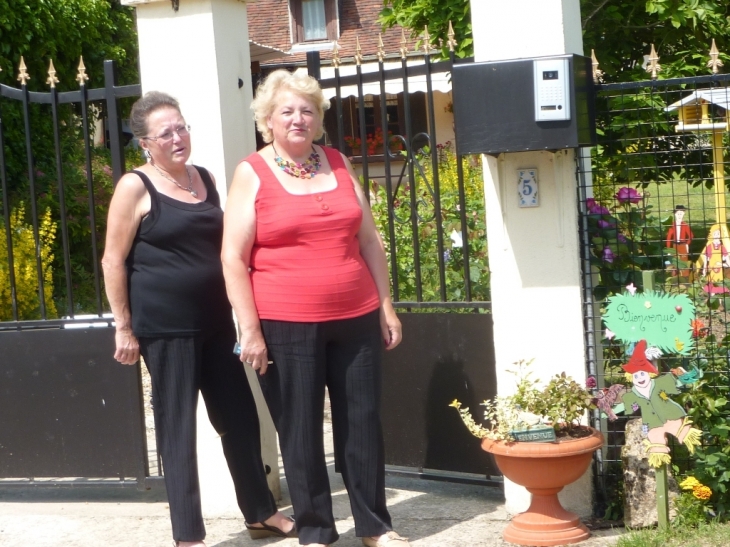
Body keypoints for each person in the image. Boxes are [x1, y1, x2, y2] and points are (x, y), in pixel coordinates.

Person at [221, 69, 407, 547]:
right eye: (287, 111)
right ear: (268, 119)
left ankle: (375, 527)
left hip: (356, 315)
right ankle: (317, 532)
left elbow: (369, 241)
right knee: (300, 433)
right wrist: (251, 330)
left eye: (307, 110)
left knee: (362, 424)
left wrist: (385, 305)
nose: (298, 119)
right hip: (285, 323)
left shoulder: (340, 163)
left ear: (318, 118)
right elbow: (232, 258)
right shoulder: (253, 172)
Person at [101, 91, 295, 547]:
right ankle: (188, 534)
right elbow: (113, 260)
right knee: (178, 429)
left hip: (215, 323)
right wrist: (123, 326)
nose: (177, 137)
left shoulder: (203, 177)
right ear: (145, 143)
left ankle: (261, 513)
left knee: (240, 419)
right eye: (165, 132)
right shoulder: (135, 186)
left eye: (182, 127)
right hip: (165, 329)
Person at [664, 205, 693, 275]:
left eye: (681, 213)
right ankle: (674, 276)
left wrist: (687, 244)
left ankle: (685, 276)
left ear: (684, 214)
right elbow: (669, 238)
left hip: (683, 245)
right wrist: (668, 249)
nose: (680, 215)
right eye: (678, 214)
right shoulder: (672, 225)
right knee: (674, 261)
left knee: (683, 260)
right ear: (675, 214)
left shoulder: (685, 225)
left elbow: (691, 236)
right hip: (675, 245)